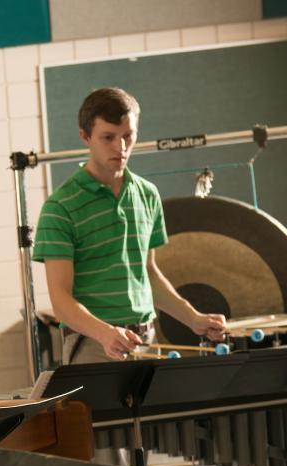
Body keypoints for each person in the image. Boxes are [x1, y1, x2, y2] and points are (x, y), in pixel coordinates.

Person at [34, 87, 226, 363]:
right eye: (108, 137)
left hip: (147, 341)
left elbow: (146, 272)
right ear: (85, 136)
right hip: (92, 346)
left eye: (128, 136)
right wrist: (105, 333)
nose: (120, 148)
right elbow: (61, 300)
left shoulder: (147, 195)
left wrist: (193, 318)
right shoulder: (60, 207)